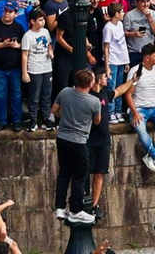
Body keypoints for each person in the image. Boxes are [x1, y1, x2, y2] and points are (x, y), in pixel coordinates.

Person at [52, 69, 101, 224]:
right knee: (79, 176)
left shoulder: (65, 92)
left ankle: (59, 207)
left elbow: (54, 110)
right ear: (90, 83)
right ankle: (75, 209)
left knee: (64, 173)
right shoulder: (94, 102)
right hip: (79, 142)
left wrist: (65, 116)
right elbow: (97, 121)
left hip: (62, 138)